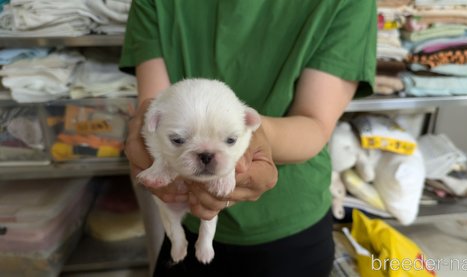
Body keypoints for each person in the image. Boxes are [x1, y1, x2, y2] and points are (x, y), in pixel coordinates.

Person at [119, 0, 377, 276]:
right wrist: (144, 139)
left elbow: (315, 123)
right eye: (180, 139)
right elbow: (154, 109)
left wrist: (256, 136)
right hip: (189, 214)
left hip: (289, 217)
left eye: (229, 140)